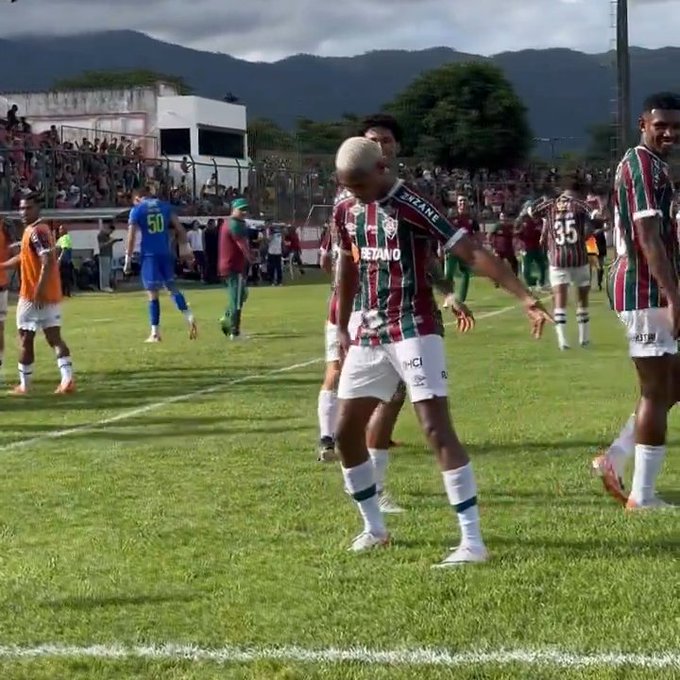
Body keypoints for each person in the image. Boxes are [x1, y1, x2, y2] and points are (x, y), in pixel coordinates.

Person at [332, 137, 551, 564]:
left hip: (415, 327)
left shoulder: (413, 204)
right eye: (346, 186)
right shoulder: (345, 210)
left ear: (380, 168)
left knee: (435, 429)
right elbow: (348, 264)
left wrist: (523, 297)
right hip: (370, 331)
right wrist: (341, 325)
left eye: (358, 184)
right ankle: (374, 528)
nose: (353, 193)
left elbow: (469, 250)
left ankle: (472, 542)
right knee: (344, 433)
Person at [316, 114, 408, 516]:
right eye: (372, 140)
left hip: (390, 305)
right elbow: (337, 261)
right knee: (359, 386)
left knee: (392, 394)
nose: (380, 147)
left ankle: (366, 478)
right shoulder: (351, 198)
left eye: (385, 141)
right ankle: (362, 477)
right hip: (360, 308)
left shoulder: (399, 194)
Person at [592, 92, 680, 510]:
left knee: (672, 383)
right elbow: (648, 239)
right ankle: (641, 495)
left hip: (651, 288)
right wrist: (673, 294)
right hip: (645, 290)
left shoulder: (654, 166)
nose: (669, 132)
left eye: (676, 127)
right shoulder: (641, 166)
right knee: (654, 391)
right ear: (643, 122)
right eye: (661, 124)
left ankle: (617, 456)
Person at [0, 195, 74, 394]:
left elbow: (47, 261)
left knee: (25, 337)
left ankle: (25, 385)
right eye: (21, 208)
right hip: (49, 295)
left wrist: (38, 291)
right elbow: (24, 257)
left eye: (28, 208)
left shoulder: (36, 231)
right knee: (54, 338)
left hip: (34, 296)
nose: (23, 212)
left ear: (37, 209)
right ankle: (67, 380)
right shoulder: (36, 230)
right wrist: (3, 265)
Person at [124, 188, 197, 343]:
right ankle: (188, 316)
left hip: (150, 255)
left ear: (136, 199)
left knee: (152, 293)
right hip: (165, 252)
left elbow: (131, 237)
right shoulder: (164, 206)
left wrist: (127, 259)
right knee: (172, 288)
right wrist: (186, 248)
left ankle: (155, 333)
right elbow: (179, 228)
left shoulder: (137, 210)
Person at [532, 179, 598, 350]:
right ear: (578, 191)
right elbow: (595, 215)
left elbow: (531, 211)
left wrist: (544, 200)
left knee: (560, 301)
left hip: (557, 258)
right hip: (579, 257)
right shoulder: (580, 205)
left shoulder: (550, 205)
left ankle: (563, 341)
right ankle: (584, 339)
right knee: (582, 300)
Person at [218, 197, 251, 340]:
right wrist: (251, 258)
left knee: (242, 294)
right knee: (237, 299)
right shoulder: (236, 224)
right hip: (233, 266)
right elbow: (241, 244)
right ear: (234, 209)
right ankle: (234, 331)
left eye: (245, 209)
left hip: (229, 265)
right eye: (241, 209)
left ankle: (226, 318)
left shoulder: (229, 223)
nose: (244, 212)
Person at [444, 195, 480, 303]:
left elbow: (477, 235)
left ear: (468, 203)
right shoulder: (451, 218)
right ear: (457, 203)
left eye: (464, 201)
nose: (462, 203)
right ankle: (449, 296)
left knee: (466, 273)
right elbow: (444, 232)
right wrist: (441, 247)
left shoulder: (472, 219)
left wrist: (475, 245)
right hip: (452, 249)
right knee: (448, 274)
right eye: (460, 201)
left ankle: (461, 299)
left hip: (465, 249)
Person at [97, 222, 121, 292]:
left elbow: (108, 244)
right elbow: (101, 246)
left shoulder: (107, 236)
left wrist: (114, 241)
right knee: (104, 272)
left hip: (109, 254)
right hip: (104, 255)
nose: (111, 233)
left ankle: (107, 285)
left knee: (108, 272)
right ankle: (104, 286)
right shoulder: (101, 235)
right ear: (107, 229)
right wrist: (110, 242)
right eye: (110, 231)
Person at [55, 225, 73, 297]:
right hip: (65, 260)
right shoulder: (61, 238)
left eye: (61, 229)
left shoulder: (65, 237)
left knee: (64, 277)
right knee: (64, 277)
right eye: (59, 229)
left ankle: (65, 292)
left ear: (65, 230)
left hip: (64, 260)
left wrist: (59, 259)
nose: (60, 231)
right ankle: (64, 292)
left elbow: (64, 249)